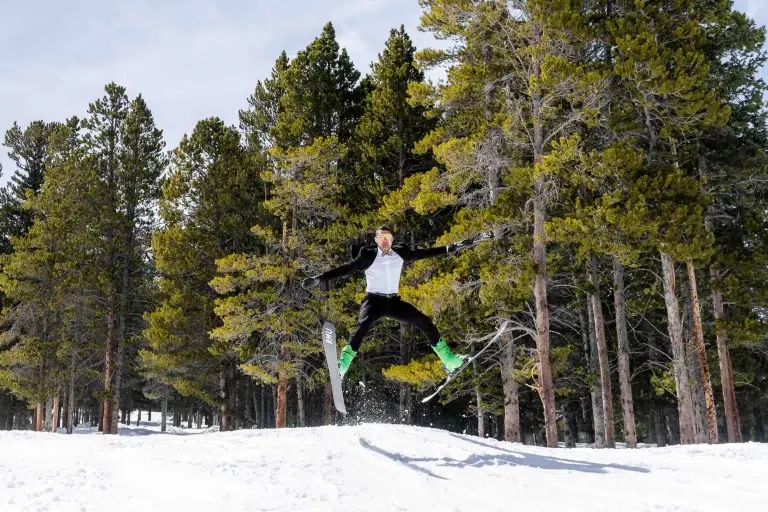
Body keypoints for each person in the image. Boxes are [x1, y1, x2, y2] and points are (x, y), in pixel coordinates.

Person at [302, 225, 477, 379]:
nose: (385, 241)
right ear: (377, 240)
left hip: (393, 302)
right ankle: (343, 366)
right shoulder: (367, 255)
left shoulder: (401, 253)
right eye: (382, 238)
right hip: (373, 301)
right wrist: (319, 279)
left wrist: (452, 247)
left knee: (425, 322)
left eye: (388, 238)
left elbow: (425, 253)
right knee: (361, 327)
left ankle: (450, 361)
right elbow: (346, 269)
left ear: (392, 240)